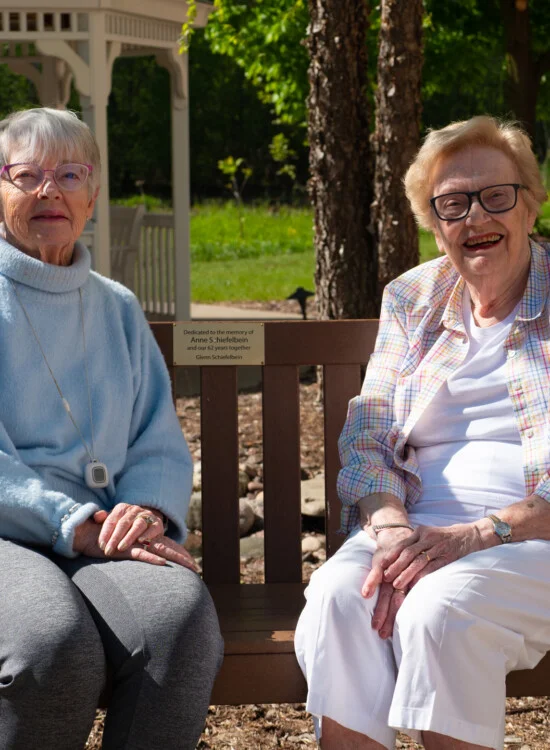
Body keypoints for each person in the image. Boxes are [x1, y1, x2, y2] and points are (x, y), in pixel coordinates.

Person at [294, 115, 550, 750]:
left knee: (441, 610)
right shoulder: (414, 298)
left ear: (530, 204)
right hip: (415, 528)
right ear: (434, 226)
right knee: (340, 595)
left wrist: (476, 534)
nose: (476, 218)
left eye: (497, 195)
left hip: (529, 536)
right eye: (452, 204)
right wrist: (388, 531)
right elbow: (368, 435)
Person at [0, 107, 223, 750]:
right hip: (16, 536)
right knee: (51, 643)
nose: (50, 191)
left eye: (69, 174)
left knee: (177, 621)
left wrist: (147, 510)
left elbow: (156, 435)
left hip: (105, 532)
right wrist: (74, 523)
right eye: (27, 175)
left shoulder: (117, 306)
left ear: (93, 194)